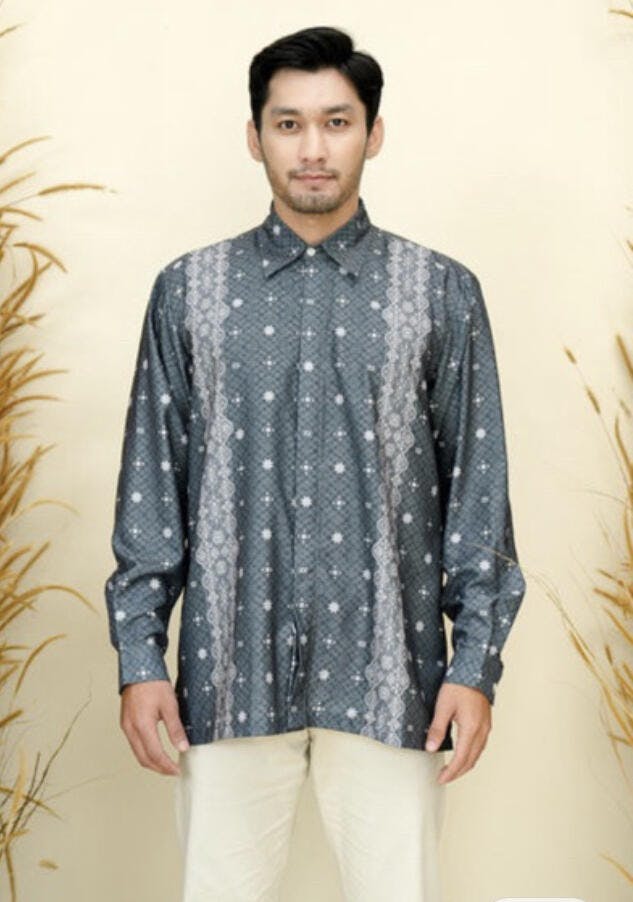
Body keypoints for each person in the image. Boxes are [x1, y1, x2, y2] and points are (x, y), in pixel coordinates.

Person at [104, 24, 527, 902]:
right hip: (228, 673)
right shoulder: (188, 291)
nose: (312, 148)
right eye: (288, 124)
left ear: (373, 133)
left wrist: (472, 665)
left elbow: (476, 493)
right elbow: (151, 489)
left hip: (391, 677)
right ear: (253, 136)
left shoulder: (439, 291)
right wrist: (140, 659)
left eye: (336, 122)